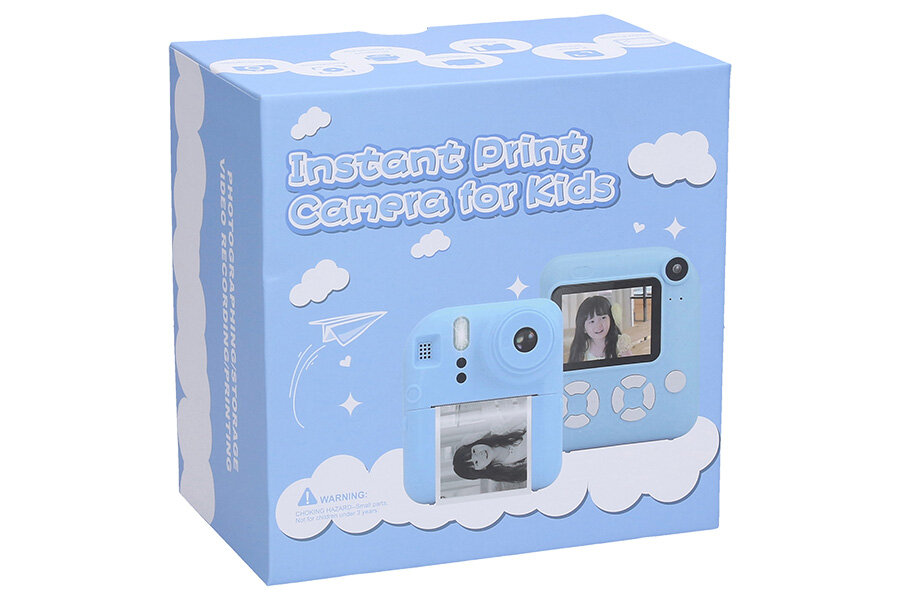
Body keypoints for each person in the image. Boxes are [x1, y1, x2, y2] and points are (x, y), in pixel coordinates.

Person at [568, 295, 632, 363]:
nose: (598, 325)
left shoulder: (620, 343)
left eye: (603, 318)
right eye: (592, 321)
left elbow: (629, 365)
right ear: (583, 328)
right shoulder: (582, 347)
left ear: (611, 319)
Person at [451, 430, 526, 484]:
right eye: (476, 462)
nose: (480, 456)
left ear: (474, 444)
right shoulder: (512, 469)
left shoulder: (502, 428)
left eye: (474, 451)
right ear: (481, 469)